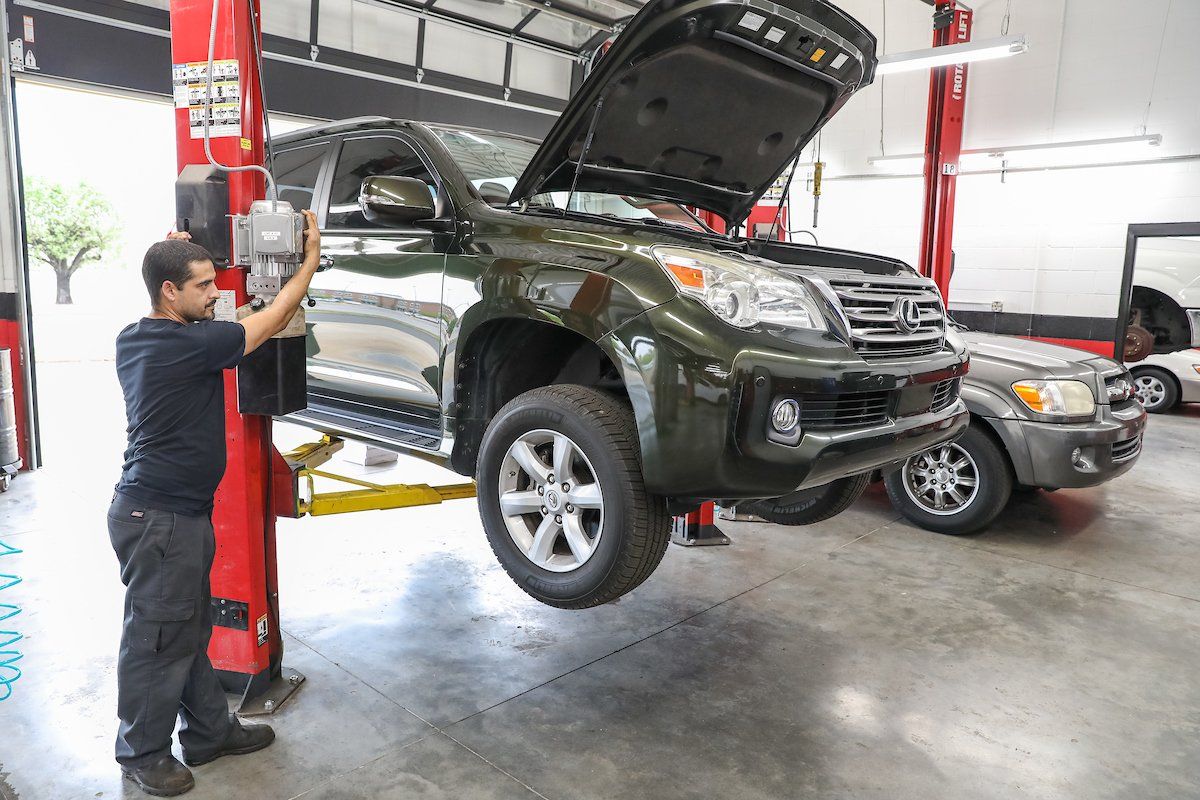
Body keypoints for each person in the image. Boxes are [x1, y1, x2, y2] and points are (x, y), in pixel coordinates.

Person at [109, 211, 321, 796]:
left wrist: (177, 253)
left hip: (169, 516)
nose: (216, 292)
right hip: (161, 520)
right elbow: (269, 320)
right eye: (204, 285)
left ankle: (208, 732)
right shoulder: (191, 346)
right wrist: (305, 267)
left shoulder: (139, 336)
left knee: (186, 627)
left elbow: (200, 303)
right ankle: (142, 752)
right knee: (156, 638)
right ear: (169, 291)